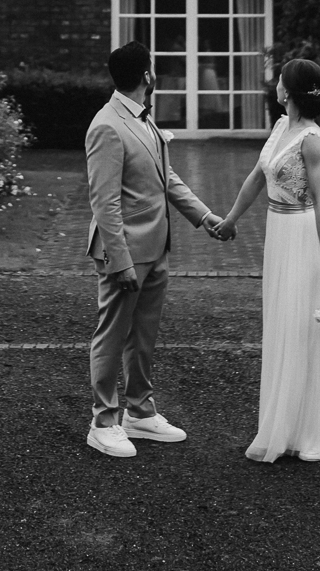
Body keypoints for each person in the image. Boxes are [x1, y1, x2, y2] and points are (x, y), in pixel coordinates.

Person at [217, 57, 320, 462]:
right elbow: (257, 177)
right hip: (278, 233)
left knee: (308, 328)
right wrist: (231, 219)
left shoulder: (314, 140)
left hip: (305, 236)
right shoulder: (280, 127)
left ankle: (317, 429)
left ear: (289, 90)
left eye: (279, 80)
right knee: (283, 323)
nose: (275, 84)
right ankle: (287, 422)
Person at [84, 38, 226, 458]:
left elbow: (167, 178)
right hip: (125, 252)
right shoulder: (106, 125)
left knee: (143, 336)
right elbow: (104, 203)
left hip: (156, 247)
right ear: (147, 75)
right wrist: (120, 260)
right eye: (153, 65)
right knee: (112, 335)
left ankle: (140, 413)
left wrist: (205, 216)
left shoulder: (143, 117)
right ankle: (102, 421)